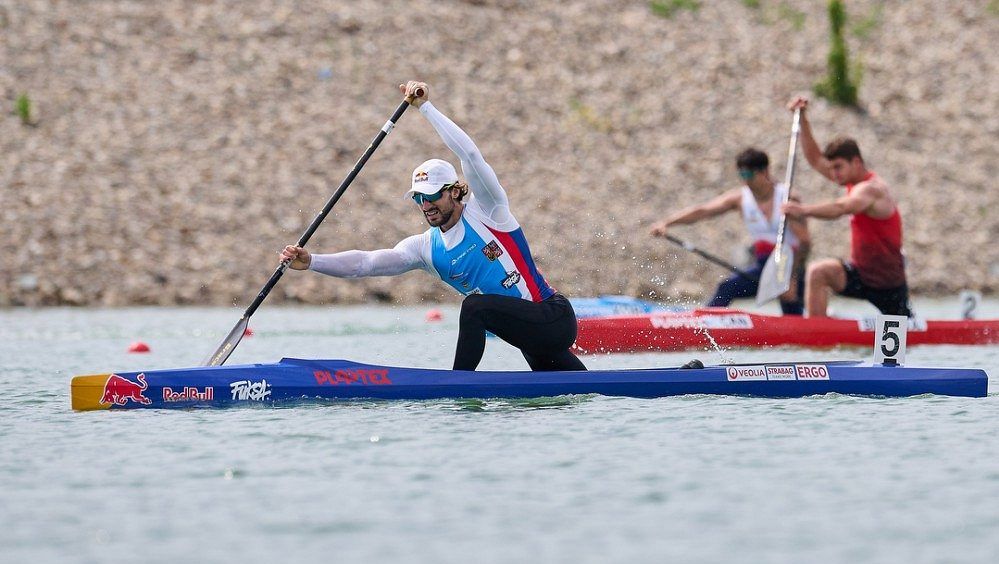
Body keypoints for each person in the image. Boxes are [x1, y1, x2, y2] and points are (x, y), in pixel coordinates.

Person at [281, 81, 586, 372]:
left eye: (432, 196)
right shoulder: (426, 248)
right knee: (575, 390)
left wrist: (425, 108)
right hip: (529, 337)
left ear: (454, 191)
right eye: (418, 199)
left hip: (553, 318)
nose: (426, 206)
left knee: (474, 307)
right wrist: (312, 262)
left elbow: (469, 154)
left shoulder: (490, 211)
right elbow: (366, 263)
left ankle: (458, 384)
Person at [781, 96, 911, 318]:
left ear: (857, 163)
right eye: (832, 169)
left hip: (887, 283)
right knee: (818, 272)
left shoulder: (872, 189)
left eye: (838, 168)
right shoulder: (850, 179)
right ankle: (816, 335)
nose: (834, 174)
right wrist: (803, 119)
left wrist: (803, 211)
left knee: (902, 325)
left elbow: (841, 207)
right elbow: (815, 159)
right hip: (860, 274)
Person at [649, 148, 811, 315]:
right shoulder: (741, 198)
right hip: (763, 267)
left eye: (749, 175)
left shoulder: (787, 198)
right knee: (727, 288)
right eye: (741, 175)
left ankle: (803, 328)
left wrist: (790, 277)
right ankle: (702, 327)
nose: (745, 181)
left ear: (764, 172)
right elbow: (703, 210)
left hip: (790, 265)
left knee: (790, 304)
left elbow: (805, 242)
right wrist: (667, 223)